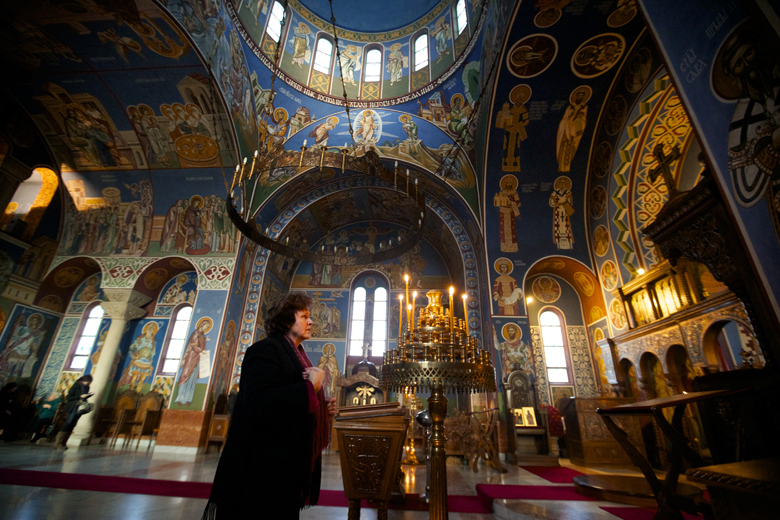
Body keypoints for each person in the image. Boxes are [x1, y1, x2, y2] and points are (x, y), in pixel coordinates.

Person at [202, 293, 337, 519]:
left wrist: (321, 407)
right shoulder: (265, 350)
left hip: (283, 469)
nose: (311, 321)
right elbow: (260, 401)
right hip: (257, 471)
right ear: (286, 321)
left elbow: (292, 403)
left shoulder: (297, 354)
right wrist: (310, 389)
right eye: (304, 316)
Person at [55, 374, 93, 450]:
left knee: (73, 424)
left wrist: (87, 396)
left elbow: (83, 397)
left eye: (89, 382)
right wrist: (80, 397)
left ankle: (64, 443)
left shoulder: (87, 387)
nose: (88, 384)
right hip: (73, 406)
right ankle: (58, 443)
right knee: (68, 423)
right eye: (87, 382)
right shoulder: (76, 385)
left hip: (80, 408)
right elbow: (69, 397)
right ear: (84, 380)